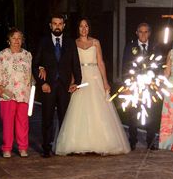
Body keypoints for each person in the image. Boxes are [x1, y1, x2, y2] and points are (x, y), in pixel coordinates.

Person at [55, 19, 130, 155]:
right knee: (80, 109)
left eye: (86, 26)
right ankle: (80, 143)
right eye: (81, 26)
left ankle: (101, 142)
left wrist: (105, 81)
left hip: (94, 76)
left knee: (98, 108)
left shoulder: (95, 42)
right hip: (81, 77)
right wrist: (73, 82)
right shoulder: (73, 43)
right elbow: (72, 65)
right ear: (78, 28)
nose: (84, 29)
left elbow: (100, 62)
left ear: (89, 28)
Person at [32, 14, 82, 157]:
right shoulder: (43, 42)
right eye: (55, 23)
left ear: (64, 26)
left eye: (60, 23)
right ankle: (46, 147)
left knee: (65, 117)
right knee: (47, 118)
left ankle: (64, 146)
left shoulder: (70, 42)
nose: (57, 26)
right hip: (49, 86)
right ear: (50, 25)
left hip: (65, 86)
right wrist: (42, 83)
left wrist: (77, 82)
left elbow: (76, 64)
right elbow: (35, 65)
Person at [0, 28, 33, 158]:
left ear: (22, 40)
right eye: (14, 38)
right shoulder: (3, 54)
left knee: (23, 121)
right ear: (8, 40)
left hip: (23, 93)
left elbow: (30, 73)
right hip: (7, 92)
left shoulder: (27, 55)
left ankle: (22, 147)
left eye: (19, 38)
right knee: (7, 121)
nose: (16, 40)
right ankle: (7, 148)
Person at [121, 22, 161, 150]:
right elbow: (125, 66)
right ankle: (132, 140)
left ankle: (150, 141)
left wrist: (156, 82)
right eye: (141, 31)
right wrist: (127, 85)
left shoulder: (155, 47)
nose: (143, 34)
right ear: (137, 33)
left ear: (149, 33)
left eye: (146, 31)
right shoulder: (130, 47)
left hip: (150, 85)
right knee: (133, 113)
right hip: (134, 85)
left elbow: (159, 66)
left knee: (151, 113)